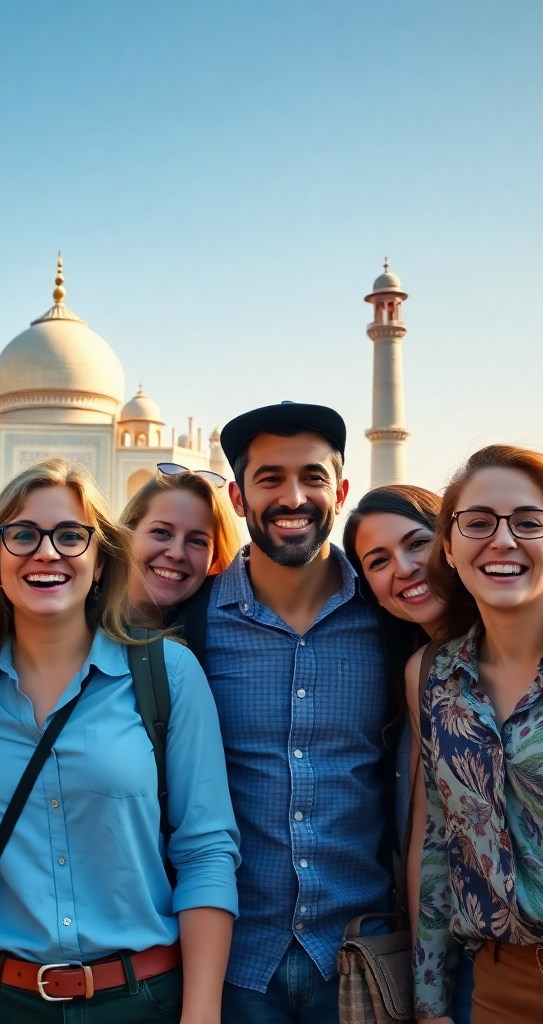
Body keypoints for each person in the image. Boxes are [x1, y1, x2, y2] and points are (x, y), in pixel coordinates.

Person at [0, 458, 240, 1023]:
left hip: (141, 999)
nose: (47, 553)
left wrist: (202, 1011)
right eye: (22, 535)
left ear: (99, 559)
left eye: (70, 536)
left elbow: (206, 848)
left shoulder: (167, 672)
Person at [191, 400, 390, 1023]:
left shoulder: (389, 622)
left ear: (343, 490)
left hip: (364, 959)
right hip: (232, 965)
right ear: (238, 497)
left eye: (313, 477)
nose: (293, 496)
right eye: (270, 478)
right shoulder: (190, 629)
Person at [413, 445, 543, 1024]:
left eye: (528, 521)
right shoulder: (442, 681)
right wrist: (429, 1002)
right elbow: (440, 844)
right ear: (448, 547)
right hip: (500, 986)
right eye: (477, 523)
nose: (502, 540)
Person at [343, 486, 474, 1024]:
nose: (403, 568)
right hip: (472, 962)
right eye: (378, 561)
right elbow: (429, 840)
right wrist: (430, 997)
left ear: (449, 542)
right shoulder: (420, 671)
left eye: (416, 543)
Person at [120, 465, 240, 628]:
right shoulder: (79, 623)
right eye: (161, 532)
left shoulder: (215, 642)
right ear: (127, 533)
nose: (177, 553)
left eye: (197, 541)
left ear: (214, 558)